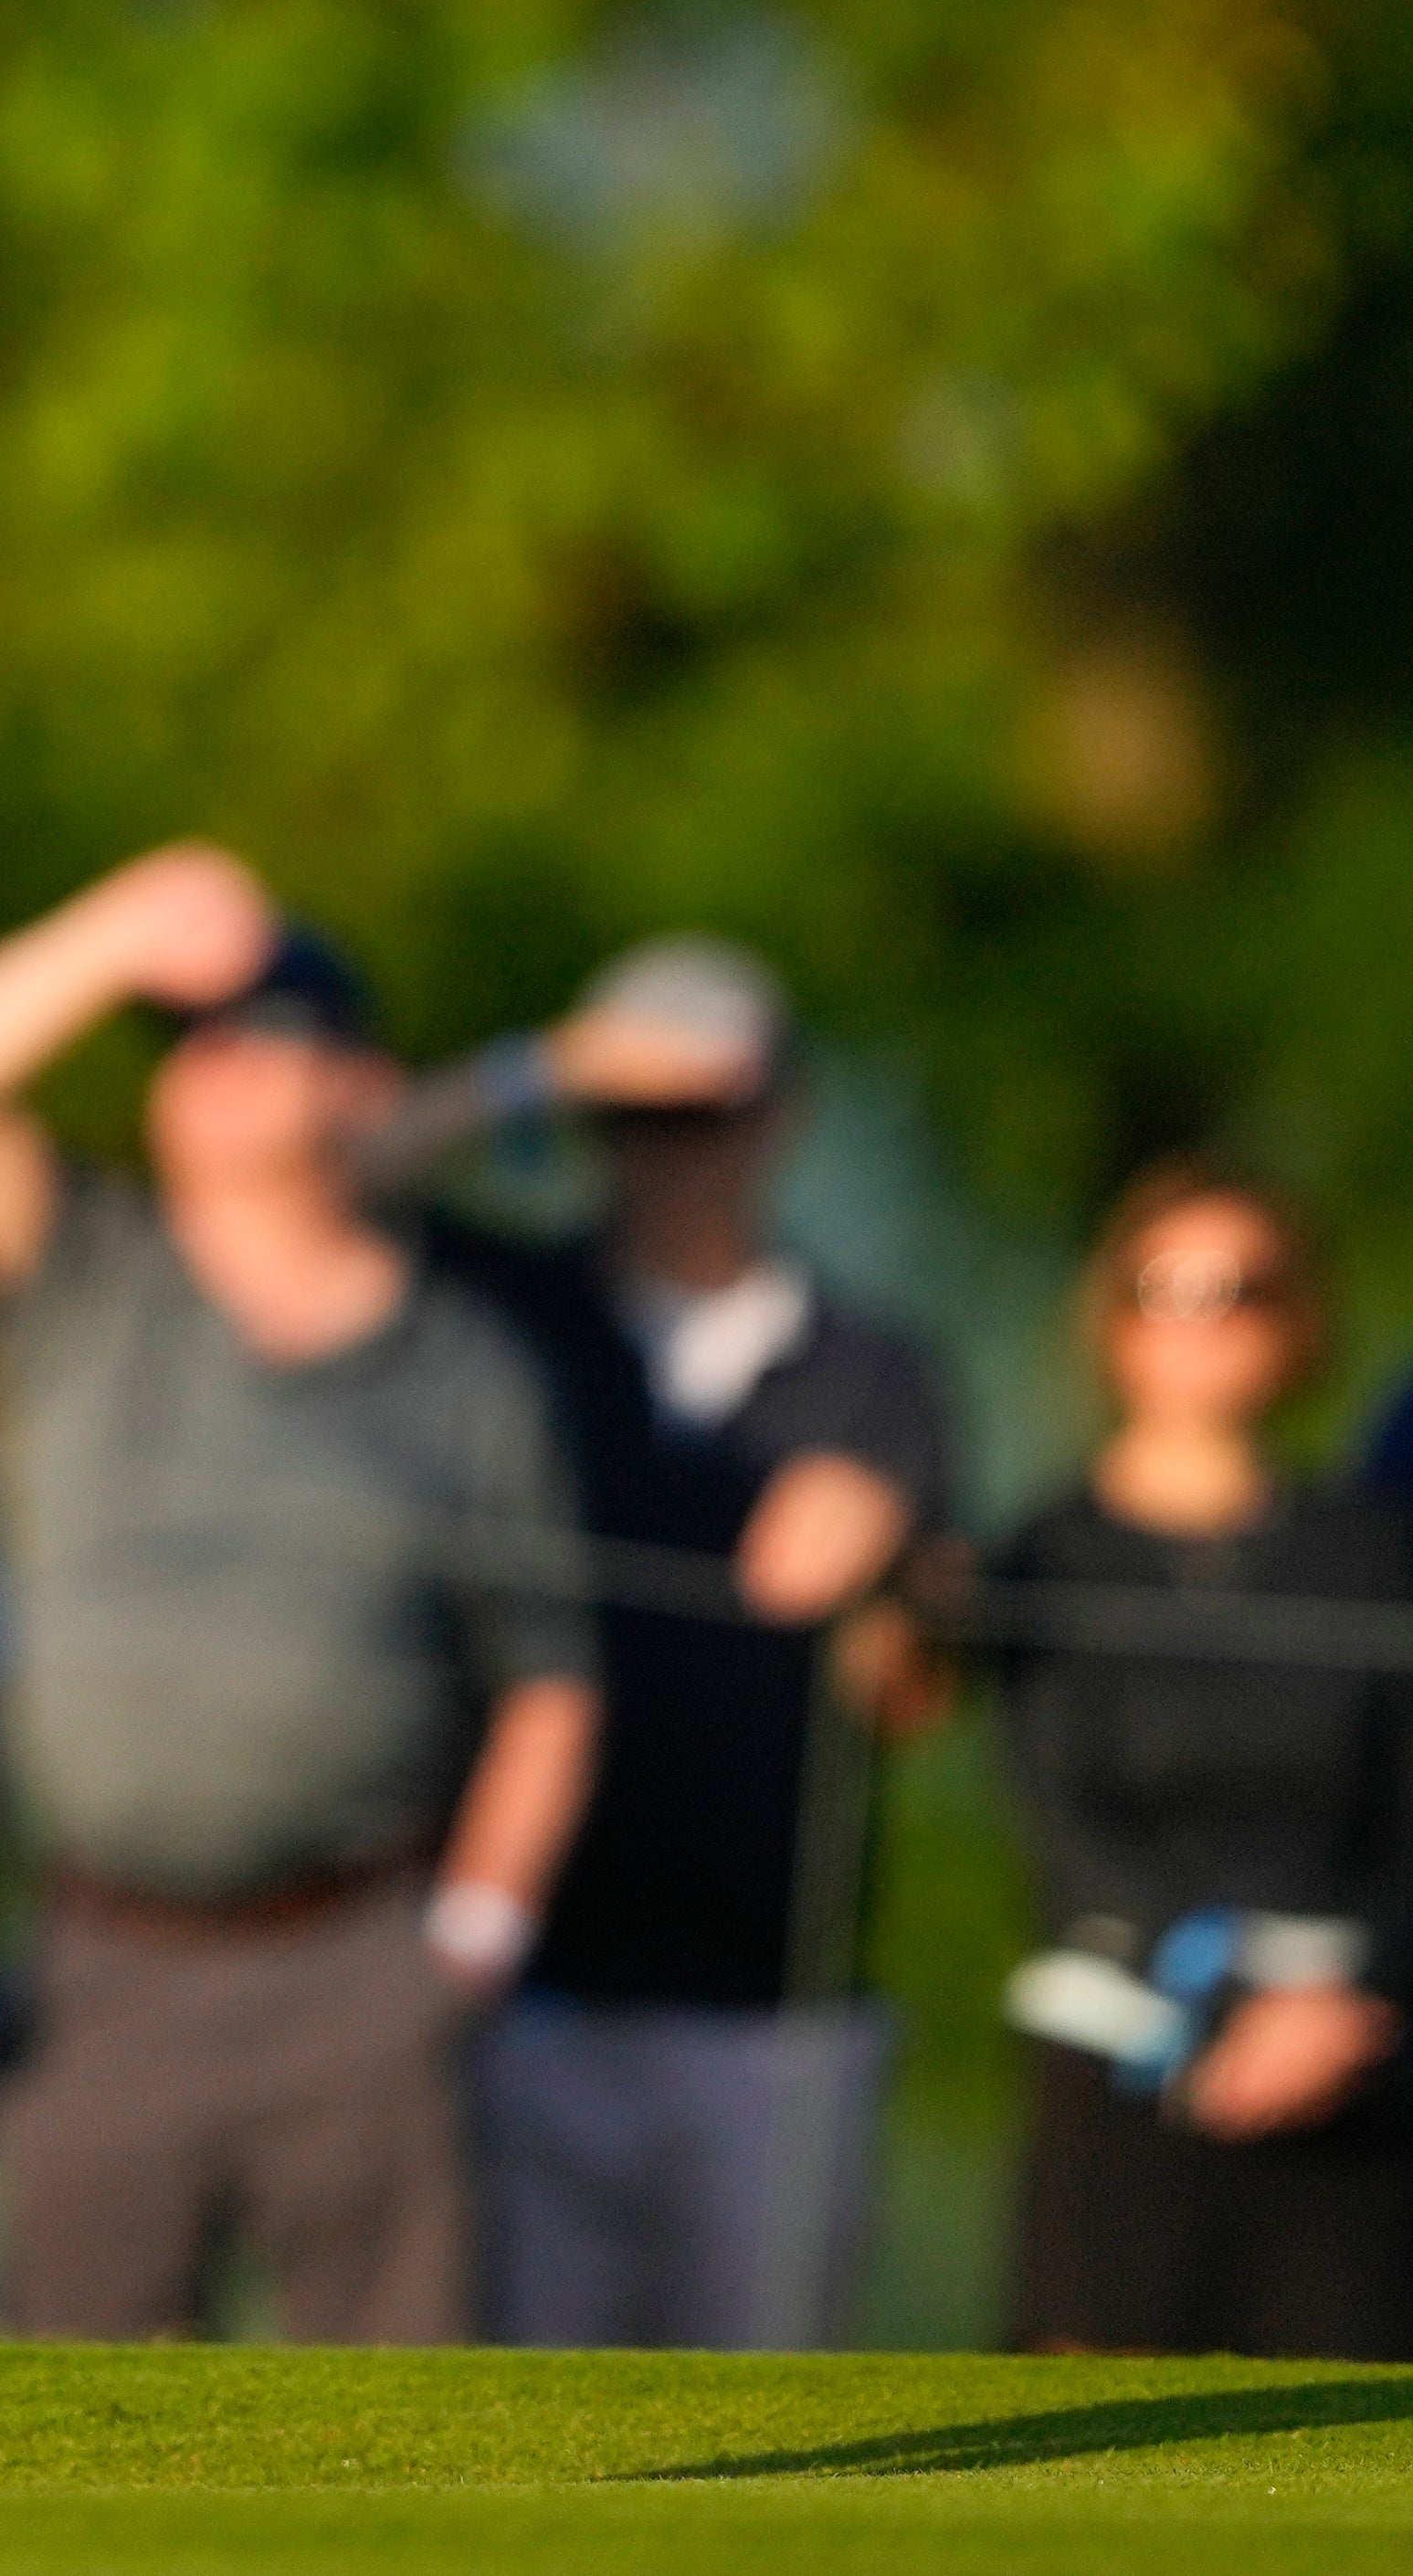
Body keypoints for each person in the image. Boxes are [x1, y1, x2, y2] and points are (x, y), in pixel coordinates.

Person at [0, 844, 599, 2345]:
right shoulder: (83, 1266)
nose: (206, 1071)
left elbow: (549, 1680)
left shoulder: (467, 1367)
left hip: (360, 1969)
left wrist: (473, 1934)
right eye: (186, 1043)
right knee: (69, 2431)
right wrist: (117, 931)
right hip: (100, 1970)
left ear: (362, 1089)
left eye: (256, 1037)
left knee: (393, 2439)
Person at [417, 937, 952, 2350]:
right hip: (524, 1986)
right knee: (527, 2449)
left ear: (784, 1113)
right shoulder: (503, 1317)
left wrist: (893, 1556)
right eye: (634, 1112)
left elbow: (918, 1691)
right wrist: (550, 1062)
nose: (669, 1145)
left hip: (773, 2017)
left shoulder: (878, 1373)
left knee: (774, 2444)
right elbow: (336, 1175)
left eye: (704, 1105)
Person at [987, 1160, 1413, 2361]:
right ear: (1113, 1316)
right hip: (1123, 2054)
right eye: (1163, 1287)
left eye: (1239, 1290)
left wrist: (1332, 2008)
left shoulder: (1374, 1552)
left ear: (1299, 1320)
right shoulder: (1046, 1554)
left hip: (1350, 2057)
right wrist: (1235, 1995)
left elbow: (1410, 1819)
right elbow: (1062, 1816)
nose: (1198, 1322)